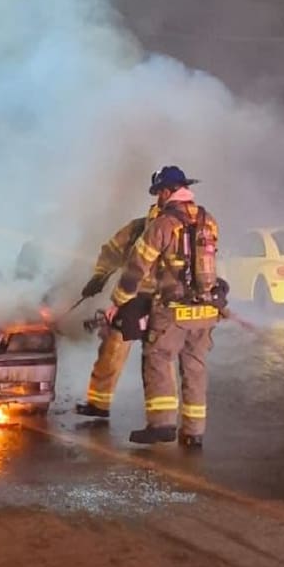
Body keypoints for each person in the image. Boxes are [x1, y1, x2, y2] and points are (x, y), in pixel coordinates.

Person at [107, 165, 225, 449]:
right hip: (206, 309)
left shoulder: (162, 224)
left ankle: (161, 425)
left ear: (166, 191)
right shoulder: (209, 220)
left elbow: (137, 268)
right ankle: (194, 431)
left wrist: (118, 303)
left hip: (172, 310)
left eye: (158, 192)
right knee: (195, 368)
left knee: (157, 358)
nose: (157, 198)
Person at [74, 204, 160, 419]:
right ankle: (99, 404)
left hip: (162, 300)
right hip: (137, 296)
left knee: (158, 359)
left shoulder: (176, 229)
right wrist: (100, 276)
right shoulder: (137, 228)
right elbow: (112, 251)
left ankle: (160, 421)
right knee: (113, 348)